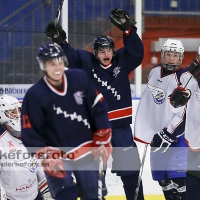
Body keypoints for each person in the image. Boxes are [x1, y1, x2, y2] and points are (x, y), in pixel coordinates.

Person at [45, 8, 144, 200]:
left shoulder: (122, 62)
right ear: (95, 53)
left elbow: (137, 52)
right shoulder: (86, 62)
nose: (106, 53)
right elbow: (70, 56)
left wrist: (128, 30)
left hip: (120, 128)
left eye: (109, 50)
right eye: (101, 50)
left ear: (113, 52)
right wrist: (60, 42)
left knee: (130, 171)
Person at [21, 43, 112, 200]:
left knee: (94, 194)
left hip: (87, 147)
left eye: (59, 62)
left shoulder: (79, 78)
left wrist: (103, 136)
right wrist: (44, 155)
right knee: (65, 195)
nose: (57, 68)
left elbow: (98, 106)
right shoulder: (35, 95)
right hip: (56, 154)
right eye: (51, 63)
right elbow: (29, 131)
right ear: (43, 66)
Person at [134, 39, 188, 200]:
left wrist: (169, 133)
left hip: (177, 137)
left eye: (175, 55)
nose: (171, 58)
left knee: (179, 180)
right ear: (162, 56)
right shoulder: (155, 71)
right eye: (169, 54)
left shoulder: (184, 77)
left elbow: (186, 111)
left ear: (181, 58)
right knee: (163, 180)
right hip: (157, 136)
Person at [0, 94, 52, 200]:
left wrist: (47, 186)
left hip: (35, 195)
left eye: (18, 110)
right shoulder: (2, 139)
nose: (17, 115)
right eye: (12, 112)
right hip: (11, 197)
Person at [169, 47, 200, 200]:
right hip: (195, 146)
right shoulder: (189, 76)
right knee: (193, 191)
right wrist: (176, 99)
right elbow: (178, 107)